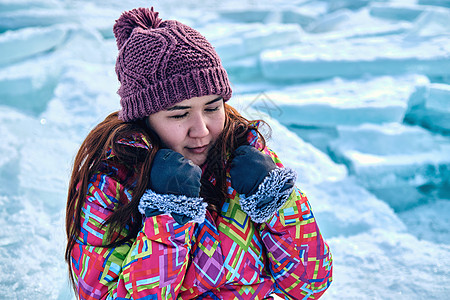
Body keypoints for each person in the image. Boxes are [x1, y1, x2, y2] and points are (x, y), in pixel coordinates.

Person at [65, 7, 332, 300]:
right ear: (144, 118)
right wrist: (169, 215)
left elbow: (309, 284)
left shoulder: (243, 158)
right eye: (179, 115)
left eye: (212, 108)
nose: (201, 129)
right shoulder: (112, 186)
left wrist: (278, 203)